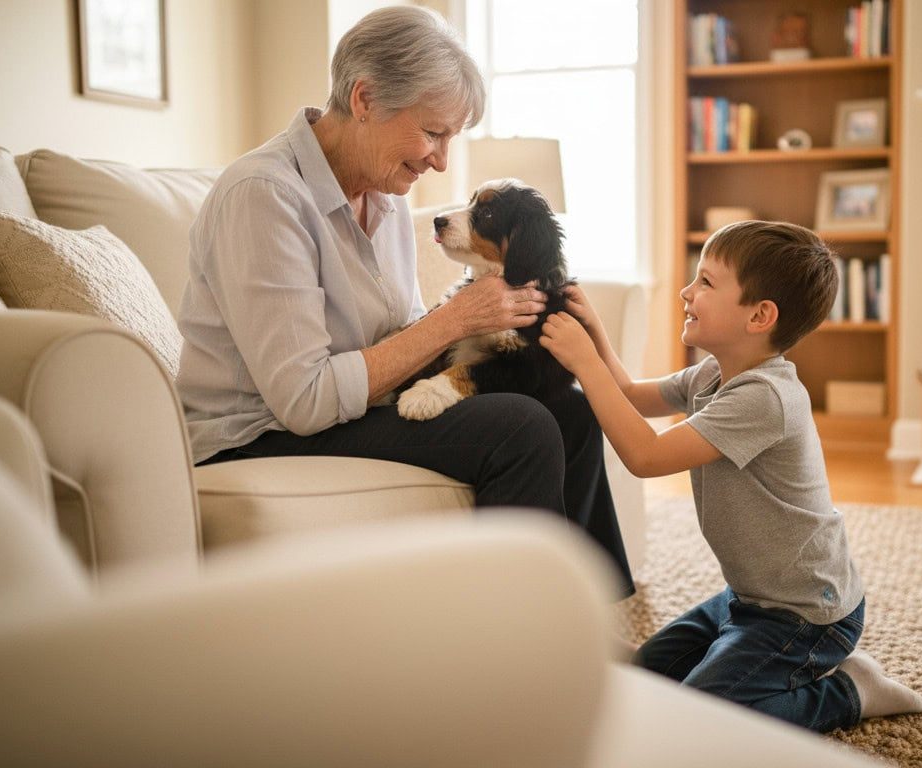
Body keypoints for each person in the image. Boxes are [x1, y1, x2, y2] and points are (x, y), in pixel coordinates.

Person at [175, 6, 631, 594]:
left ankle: (587, 614)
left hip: (351, 410)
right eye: (433, 132)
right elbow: (304, 400)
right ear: (365, 99)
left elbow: (406, 334)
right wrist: (455, 319)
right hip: (256, 436)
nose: (440, 160)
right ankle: (510, 641)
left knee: (569, 408)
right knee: (520, 426)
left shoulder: (383, 197)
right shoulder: (264, 196)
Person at [539, 220, 922, 732]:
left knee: (701, 717)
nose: (686, 291)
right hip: (746, 599)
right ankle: (720, 657)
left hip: (807, 614)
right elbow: (632, 396)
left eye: (705, 282)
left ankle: (850, 689)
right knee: (645, 678)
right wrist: (596, 335)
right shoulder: (714, 372)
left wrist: (584, 363)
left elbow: (646, 456)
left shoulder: (765, 398)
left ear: (760, 316)